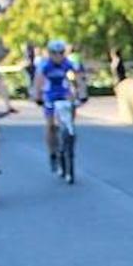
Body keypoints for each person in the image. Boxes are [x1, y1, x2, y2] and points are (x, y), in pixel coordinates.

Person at [33, 38, 81, 170]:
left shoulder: (67, 63)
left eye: (61, 52)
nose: (58, 56)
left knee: (71, 111)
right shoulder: (45, 65)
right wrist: (37, 96)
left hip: (63, 93)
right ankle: (52, 153)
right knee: (50, 126)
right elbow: (38, 82)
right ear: (50, 53)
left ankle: (69, 134)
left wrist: (81, 93)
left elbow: (77, 77)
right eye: (55, 53)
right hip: (49, 94)